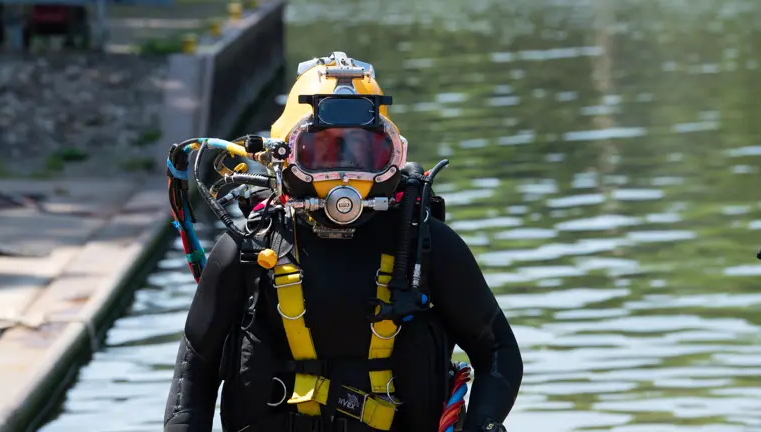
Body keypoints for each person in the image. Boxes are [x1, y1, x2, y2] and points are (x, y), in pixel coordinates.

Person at [163, 52, 523, 432]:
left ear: (393, 156)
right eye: (323, 152)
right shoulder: (249, 248)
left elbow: (497, 352)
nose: (345, 175)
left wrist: (482, 425)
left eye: (364, 153)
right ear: (282, 155)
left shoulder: (426, 245)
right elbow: (195, 369)